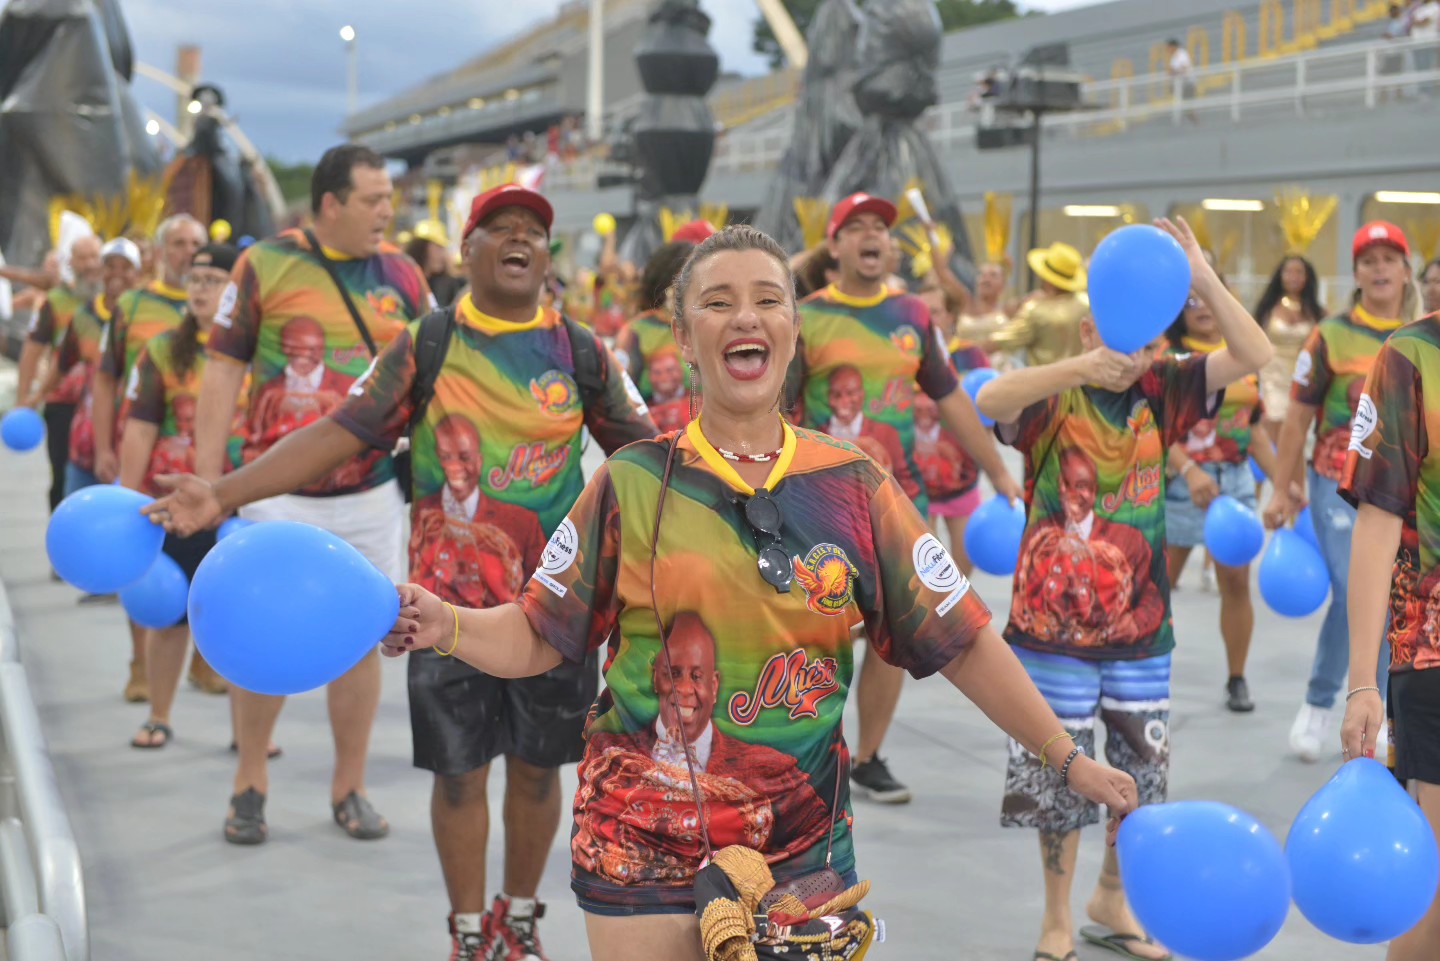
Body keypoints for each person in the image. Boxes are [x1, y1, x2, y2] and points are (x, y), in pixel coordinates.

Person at [375, 225, 1137, 961]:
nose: (746, 315)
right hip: (642, 841)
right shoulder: (632, 482)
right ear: (683, 336)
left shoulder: (855, 486)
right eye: (718, 301)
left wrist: (1068, 758)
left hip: (801, 847)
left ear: (793, 329)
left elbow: (962, 638)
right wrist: (447, 623)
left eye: (769, 299)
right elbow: (540, 632)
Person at [146, 182, 656, 961]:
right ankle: (465, 935)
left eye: (534, 231)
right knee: (457, 777)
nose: (519, 239)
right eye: (499, 227)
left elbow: (648, 459)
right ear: (467, 251)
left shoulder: (582, 351)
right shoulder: (427, 342)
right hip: (441, 612)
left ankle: (517, 923)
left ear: (549, 257)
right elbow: (340, 432)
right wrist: (221, 492)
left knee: (535, 771)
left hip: (553, 614)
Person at [977, 216, 1274, 961]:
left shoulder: (1166, 387)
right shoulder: (1052, 396)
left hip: (1142, 629)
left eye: (1150, 339)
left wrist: (1202, 278)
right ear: (1087, 328)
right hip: (1051, 632)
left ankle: (1114, 897)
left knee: (1142, 768)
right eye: (1124, 338)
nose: (1139, 353)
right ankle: (1055, 916)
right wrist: (1081, 369)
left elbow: (1254, 353)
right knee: (1057, 770)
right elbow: (991, 399)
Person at [184, 144, 432, 847]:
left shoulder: (405, 275)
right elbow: (222, 373)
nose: (389, 211)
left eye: (390, 198)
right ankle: (250, 781)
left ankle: (349, 786)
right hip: (275, 491)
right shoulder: (263, 264)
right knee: (260, 631)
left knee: (360, 636)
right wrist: (213, 484)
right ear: (330, 204)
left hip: (371, 490)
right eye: (374, 200)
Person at [787, 191, 1023, 806]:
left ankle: (867, 758)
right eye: (857, 226)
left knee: (894, 640)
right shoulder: (802, 316)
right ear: (834, 246)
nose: (873, 236)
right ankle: (808, 756)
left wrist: (999, 470)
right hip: (818, 502)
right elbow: (777, 410)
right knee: (820, 636)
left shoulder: (915, 315)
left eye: (881, 229)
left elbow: (951, 398)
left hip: (896, 503)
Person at [1265, 221, 1420, 763]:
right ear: (1354, 274)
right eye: (1368, 260)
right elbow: (1296, 418)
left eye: (1389, 258)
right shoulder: (1328, 334)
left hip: (1405, 491)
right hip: (1336, 479)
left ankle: (1375, 708)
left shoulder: (1422, 337)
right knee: (1348, 583)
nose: (1379, 268)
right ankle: (1320, 701)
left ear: (1406, 270)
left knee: (1392, 592)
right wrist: (1284, 488)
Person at [1339, 301, 1440, 961]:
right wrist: (1359, 682)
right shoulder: (1410, 357)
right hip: (1432, 648)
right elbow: (1376, 525)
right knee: (1429, 891)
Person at [118, 244, 247, 748]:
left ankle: (248, 733)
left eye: (214, 279)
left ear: (233, 291)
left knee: (240, 616)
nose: (200, 288)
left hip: (242, 500)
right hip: (178, 502)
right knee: (171, 613)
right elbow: (140, 427)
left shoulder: (256, 354)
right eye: (195, 278)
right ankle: (159, 713)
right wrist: (129, 501)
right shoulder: (162, 350)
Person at [1162, 291, 1278, 713]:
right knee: (1158, 581)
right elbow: (1150, 426)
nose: (1202, 307)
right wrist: (1189, 470)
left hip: (1236, 481)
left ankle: (1236, 678)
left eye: (1208, 296)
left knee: (1235, 583)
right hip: (1179, 483)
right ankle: (1143, 672)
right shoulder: (1165, 358)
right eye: (1189, 300)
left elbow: (1256, 430)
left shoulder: (1242, 357)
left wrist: (1284, 483)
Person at [44, 239, 141, 499]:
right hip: (86, 441)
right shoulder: (84, 315)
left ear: (139, 272)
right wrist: (32, 399)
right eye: (110, 265)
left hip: (136, 442)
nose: (117, 274)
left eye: (126, 267)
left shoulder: (147, 317)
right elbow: (62, 364)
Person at [16, 235, 102, 514]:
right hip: (63, 403)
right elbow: (32, 351)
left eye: (94, 256)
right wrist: (23, 398)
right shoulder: (54, 302)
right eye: (82, 257)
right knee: (64, 476)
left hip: (105, 406)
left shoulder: (115, 302)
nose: (90, 264)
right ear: (71, 263)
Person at [916, 283, 991, 571]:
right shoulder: (907, 354)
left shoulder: (971, 356)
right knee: (925, 570)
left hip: (961, 478)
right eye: (922, 312)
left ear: (951, 316)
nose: (927, 319)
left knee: (963, 567)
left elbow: (986, 409)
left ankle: (956, 617)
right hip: (917, 482)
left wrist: (984, 453)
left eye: (934, 312)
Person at [614, 241, 697, 432]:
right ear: (671, 279)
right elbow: (617, 399)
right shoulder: (636, 332)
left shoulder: (710, 324)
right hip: (658, 448)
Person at [1252, 254, 1324, 445]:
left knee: (1297, 434)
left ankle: (1294, 474)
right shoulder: (1267, 308)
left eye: (1299, 272)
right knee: (1274, 424)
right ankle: (1277, 473)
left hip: (1301, 377)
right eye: (1289, 272)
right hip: (1272, 376)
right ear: (1280, 275)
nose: (1294, 277)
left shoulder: (1316, 311)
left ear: (1307, 276)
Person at [992, 242, 1090, 368]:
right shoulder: (1087, 303)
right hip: (1082, 382)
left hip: (1045, 384)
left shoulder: (1035, 310)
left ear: (1047, 278)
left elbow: (1000, 342)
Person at [406, 230, 464, 307]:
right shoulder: (407, 281)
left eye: (443, 249)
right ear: (422, 248)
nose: (443, 255)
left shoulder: (445, 284)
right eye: (438, 248)